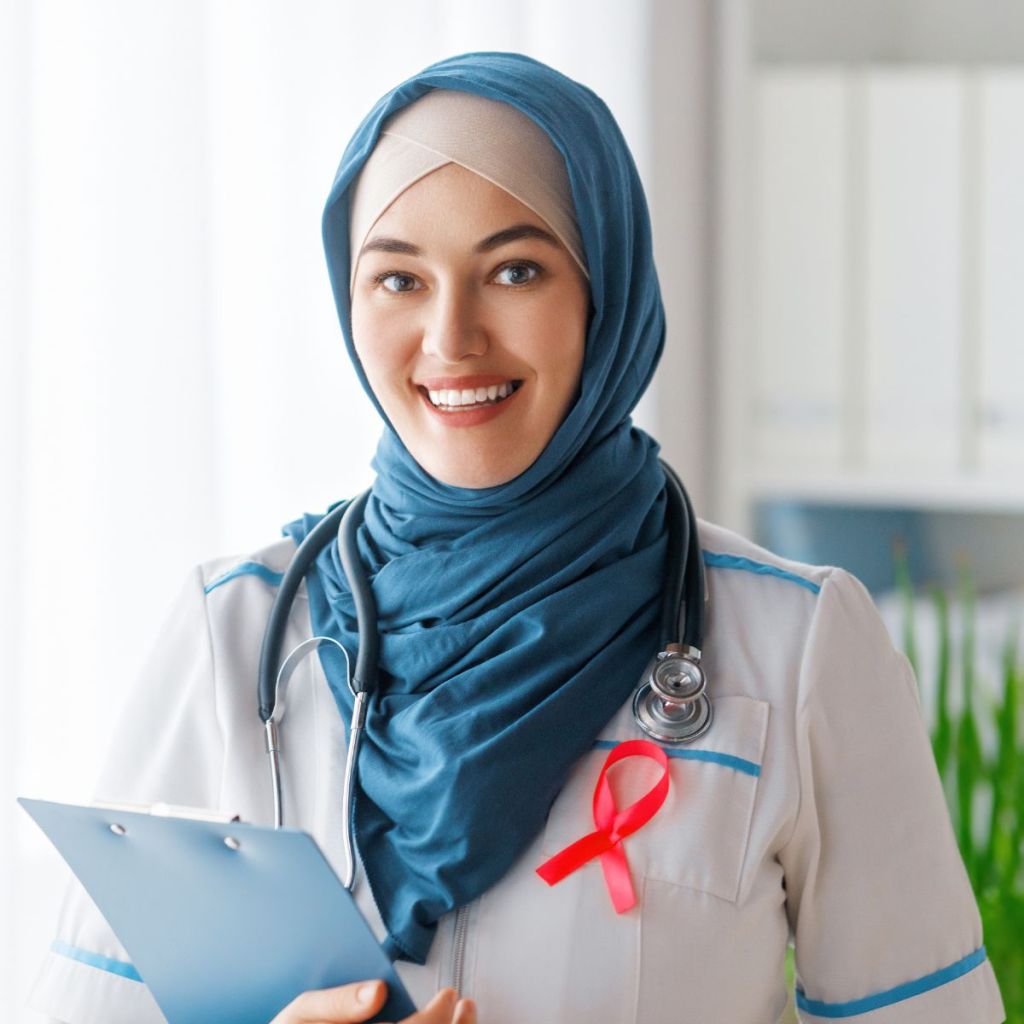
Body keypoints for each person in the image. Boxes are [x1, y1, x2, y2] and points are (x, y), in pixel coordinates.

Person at [29, 51, 1005, 1024]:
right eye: (399, 279)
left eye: (513, 269)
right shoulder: (233, 631)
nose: (451, 338)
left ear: (603, 286)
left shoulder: (795, 644)